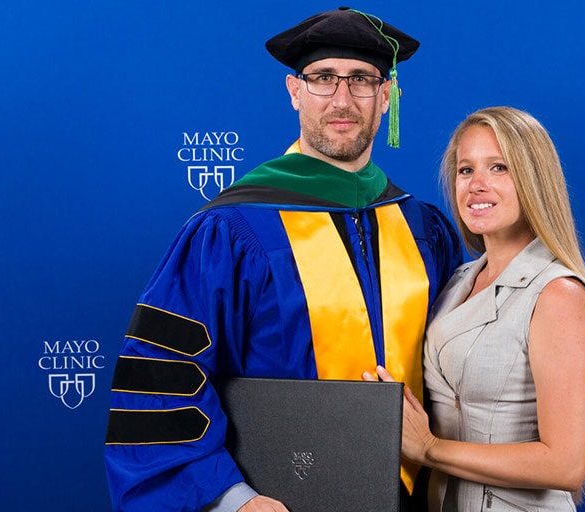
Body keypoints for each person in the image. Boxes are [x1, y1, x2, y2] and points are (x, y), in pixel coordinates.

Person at [104, 7, 462, 512]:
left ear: (386, 98)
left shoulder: (423, 228)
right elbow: (163, 375)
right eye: (322, 79)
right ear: (295, 91)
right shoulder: (232, 229)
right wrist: (236, 501)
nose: (342, 99)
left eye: (362, 80)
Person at [366, 106, 585, 511]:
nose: (477, 185)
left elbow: (567, 464)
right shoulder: (457, 281)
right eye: (465, 170)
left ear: (534, 179)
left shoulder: (558, 293)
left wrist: (429, 448)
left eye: (499, 168)